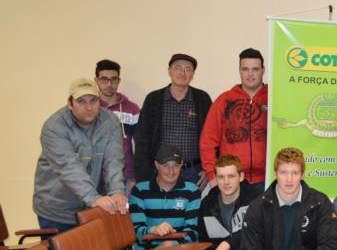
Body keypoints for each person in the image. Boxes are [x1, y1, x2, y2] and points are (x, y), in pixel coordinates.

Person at [33, 78, 128, 232]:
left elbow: (114, 160)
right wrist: (94, 198)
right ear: (70, 104)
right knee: (61, 249)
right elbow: (69, 168)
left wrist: (116, 191)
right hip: (57, 210)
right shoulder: (54, 127)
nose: (89, 107)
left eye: (93, 100)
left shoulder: (110, 121)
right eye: (81, 101)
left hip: (90, 208)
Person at [134, 53, 212, 188]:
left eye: (187, 69)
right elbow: (142, 138)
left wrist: (209, 169)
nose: (182, 73)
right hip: (159, 171)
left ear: (193, 74)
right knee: (157, 202)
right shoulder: (153, 99)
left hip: (192, 171)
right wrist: (143, 174)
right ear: (169, 71)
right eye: (177, 68)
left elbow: (212, 137)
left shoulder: (202, 99)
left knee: (190, 202)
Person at [200, 48, 268, 190]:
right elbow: (207, 141)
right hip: (231, 180)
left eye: (255, 69)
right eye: (245, 69)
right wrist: (212, 176)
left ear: (263, 70)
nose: (250, 74)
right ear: (239, 70)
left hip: (267, 180)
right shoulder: (224, 100)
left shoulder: (274, 98)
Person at [129, 145, 200, 249]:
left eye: (176, 165)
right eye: (165, 165)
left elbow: (194, 231)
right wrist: (153, 230)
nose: (171, 171)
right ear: (156, 165)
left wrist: (172, 245)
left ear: (181, 165)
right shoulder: (139, 190)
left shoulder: (192, 190)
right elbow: (135, 231)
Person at [95, 59, 140, 191]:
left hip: (125, 177)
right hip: (94, 176)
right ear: (96, 80)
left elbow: (141, 144)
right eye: (104, 79)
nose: (109, 84)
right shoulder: (90, 108)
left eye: (113, 79)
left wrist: (137, 177)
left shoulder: (132, 109)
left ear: (119, 80)